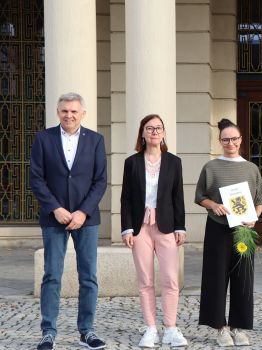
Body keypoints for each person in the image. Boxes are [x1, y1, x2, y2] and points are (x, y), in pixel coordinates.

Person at [29, 93, 107, 350]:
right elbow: (36, 179)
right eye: (64, 111)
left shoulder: (95, 140)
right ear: (58, 112)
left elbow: (100, 181)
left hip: (87, 218)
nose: (69, 115)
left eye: (74, 111)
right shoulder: (44, 139)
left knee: (89, 276)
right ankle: (48, 331)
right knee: (52, 274)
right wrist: (55, 208)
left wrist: (83, 211)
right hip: (54, 218)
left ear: (83, 113)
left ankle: (87, 331)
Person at [195, 118, 262, 347]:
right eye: (225, 139)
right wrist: (213, 205)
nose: (230, 143)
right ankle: (220, 327)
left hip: (243, 231)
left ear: (240, 140)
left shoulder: (251, 168)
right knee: (216, 278)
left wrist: (254, 216)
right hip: (218, 228)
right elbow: (199, 196)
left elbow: (261, 200)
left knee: (243, 278)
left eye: (234, 139)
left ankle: (239, 327)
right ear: (220, 141)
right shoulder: (211, 167)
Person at [120, 114, 188, 347]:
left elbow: (178, 196)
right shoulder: (132, 162)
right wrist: (127, 228)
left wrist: (180, 226)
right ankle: (150, 328)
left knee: (170, 278)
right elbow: (126, 198)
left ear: (164, 133)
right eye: (150, 128)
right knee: (145, 280)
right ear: (142, 133)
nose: (154, 132)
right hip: (140, 228)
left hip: (166, 225)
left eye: (159, 128)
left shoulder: (174, 162)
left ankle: (170, 328)